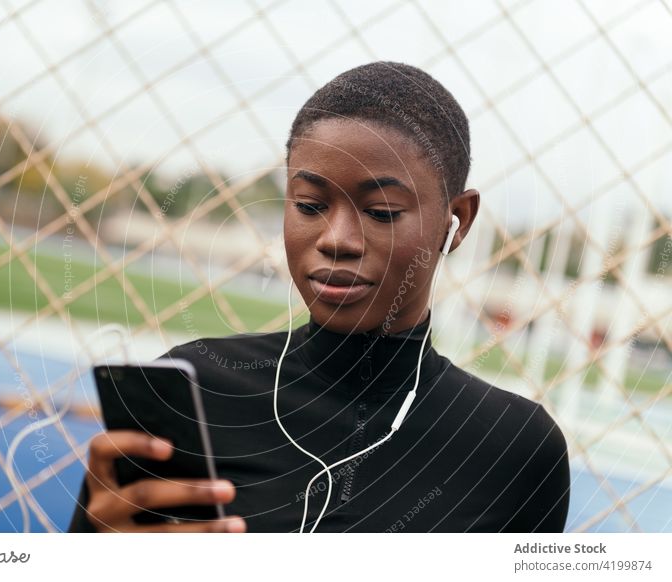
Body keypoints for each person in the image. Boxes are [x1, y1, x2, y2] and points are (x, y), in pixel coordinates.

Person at [68, 61, 571, 533]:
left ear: (457, 221)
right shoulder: (190, 395)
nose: (337, 239)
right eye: (310, 204)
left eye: (381, 211)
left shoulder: (514, 449)